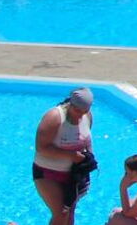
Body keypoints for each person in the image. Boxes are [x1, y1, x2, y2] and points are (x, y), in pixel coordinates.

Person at [34, 87, 95, 225]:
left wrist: (88, 158)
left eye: (84, 111)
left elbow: (85, 140)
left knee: (70, 212)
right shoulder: (54, 117)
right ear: (70, 104)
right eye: (77, 111)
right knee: (61, 212)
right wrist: (71, 155)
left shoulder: (88, 116)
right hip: (48, 172)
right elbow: (41, 148)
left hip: (73, 175)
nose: (80, 115)